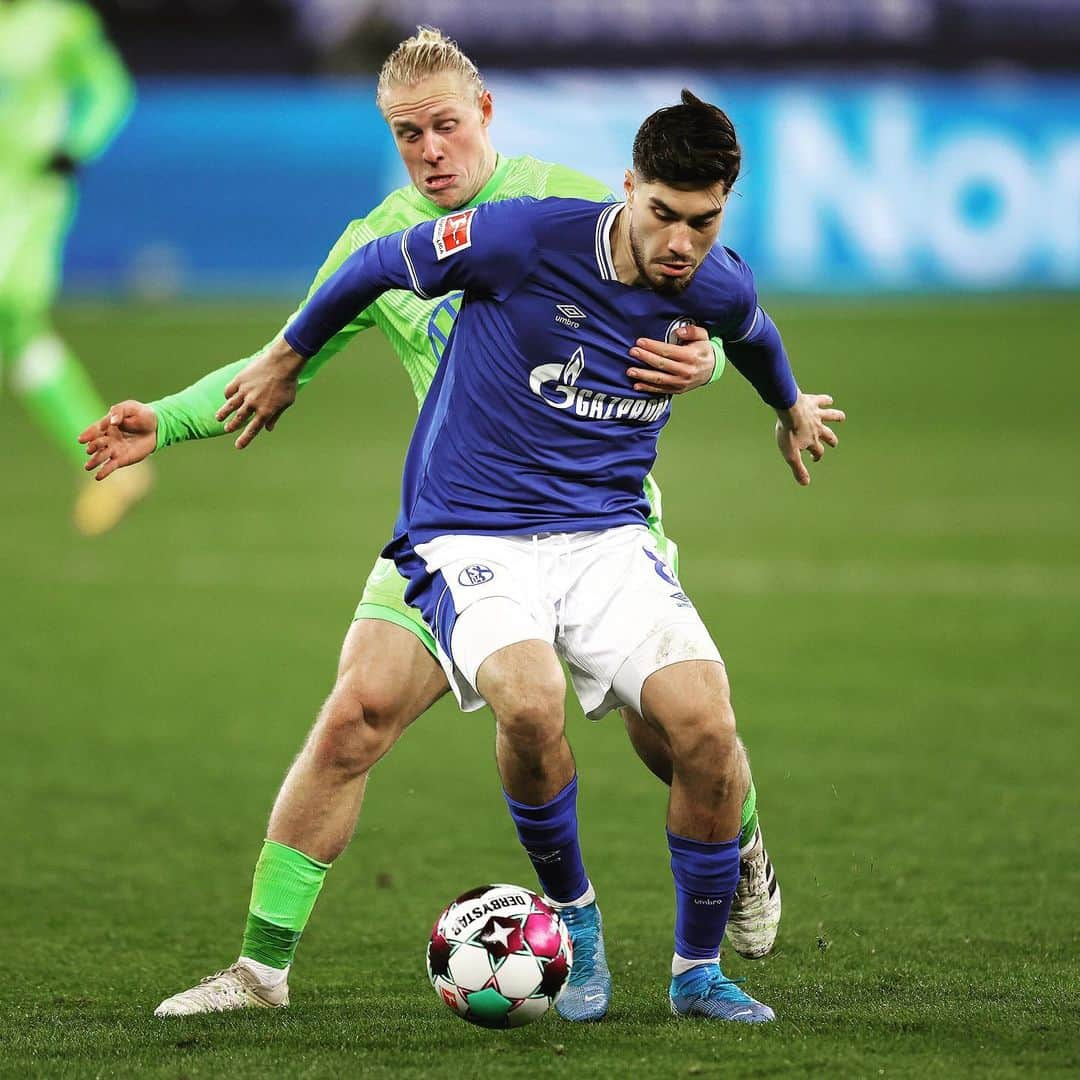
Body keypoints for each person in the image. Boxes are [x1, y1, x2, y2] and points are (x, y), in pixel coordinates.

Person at [80, 29, 780, 1020]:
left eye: (446, 125)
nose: (431, 151)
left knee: (676, 735)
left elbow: (685, 286)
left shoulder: (559, 200)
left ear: (486, 113)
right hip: (464, 525)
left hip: (595, 520)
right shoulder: (378, 241)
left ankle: (737, 838)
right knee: (354, 715)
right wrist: (168, 417)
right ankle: (259, 971)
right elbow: (283, 358)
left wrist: (708, 362)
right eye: (409, 134)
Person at [0, 0, 151, 534]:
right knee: (21, 342)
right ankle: (112, 464)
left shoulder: (59, 22)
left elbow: (110, 88)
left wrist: (75, 144)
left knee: (11, 306)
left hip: (26, 191)